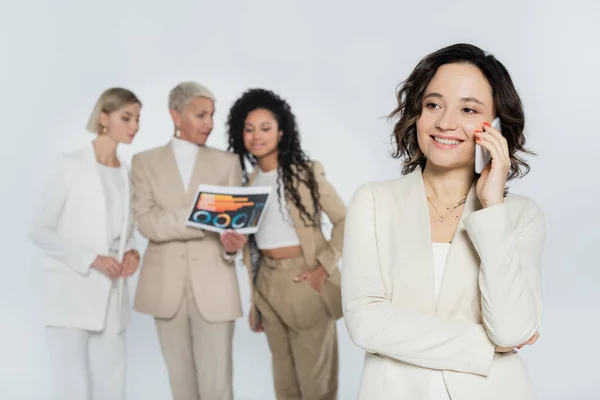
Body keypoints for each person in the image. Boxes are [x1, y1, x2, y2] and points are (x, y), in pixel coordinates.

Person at [341, 43, 546, 400]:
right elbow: (365, 323)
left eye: (469, 109)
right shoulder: (374, 201)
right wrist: (484, 345)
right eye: (433, 104)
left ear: (496, 126)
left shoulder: (520, 215)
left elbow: (511, 329)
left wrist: (492, 206)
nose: (446, 122)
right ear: (417, 113)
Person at [227, 88, 346, 400]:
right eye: (249, 129)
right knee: (284, 382)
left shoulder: (306, 173)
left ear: (281, 131)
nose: (256, 136)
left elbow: (347, 221)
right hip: (267, 283)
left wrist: (324, 266)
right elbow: (247, 248)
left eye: (265, 128)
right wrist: (254, 300)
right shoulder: (246, 185)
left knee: (316, 383)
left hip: (304, 278)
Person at [130, 81, 247, 400]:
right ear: (176, 115)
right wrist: (202, 215)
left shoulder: (228, 163)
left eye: (211, 115)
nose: (209, 123)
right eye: (200, 115)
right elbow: (146, 223)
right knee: (180, 386)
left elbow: (233, 231)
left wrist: (231, 247)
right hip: (164, 289)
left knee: (218, 386)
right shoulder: (144, 162)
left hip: (216, 288)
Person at [29, 87, 142, 400]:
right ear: (104, 118)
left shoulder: (128, 174)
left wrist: (133, 252)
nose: (135, 126)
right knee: (72, 390)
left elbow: (123, 229)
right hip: (70, 294)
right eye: (126, 117)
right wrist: (91, 258)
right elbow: (39, 230)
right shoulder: (69, 165)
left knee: (112, 388)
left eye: (137, 118)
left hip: (112, 296)